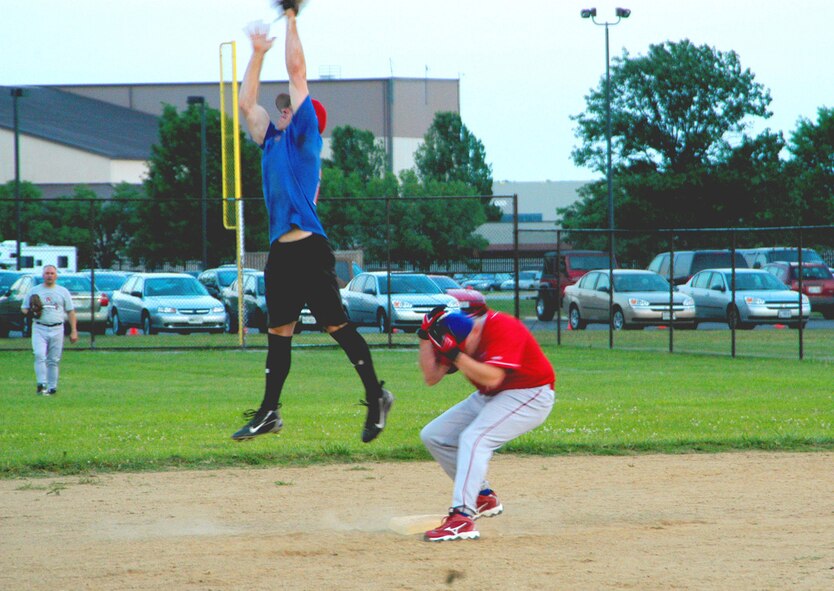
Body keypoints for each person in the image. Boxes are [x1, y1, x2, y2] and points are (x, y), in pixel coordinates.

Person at [232, 2, 393, 443]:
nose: (283, 109)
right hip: (282, 252)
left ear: (306, 120)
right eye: (283, 108)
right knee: (278, 332)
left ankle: (376, 395)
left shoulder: (304, 140)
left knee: (335, 324)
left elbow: (298, 73)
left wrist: (292, 21)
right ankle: (269, 412)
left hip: (308, 248)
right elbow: (247, 103)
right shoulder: (271, 141)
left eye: (290, 108)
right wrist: (258, 52)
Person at [418, 306, 555, 541]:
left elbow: (494, 376)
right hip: (492, 395)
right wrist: (423, 337)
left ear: (474, 333)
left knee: (475, 439)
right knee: (434, 435)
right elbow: (431, 377)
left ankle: (462, 518)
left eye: (466, 348)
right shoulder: (454, 336)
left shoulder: (502, 327)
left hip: (531, 393)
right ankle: (482, 497)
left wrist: (456, 356)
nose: (466, 353)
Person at [21, 265, 78, 396]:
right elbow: (24, 308)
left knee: (54, 359)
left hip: (57, 327)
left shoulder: (63, 291)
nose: (49, 275)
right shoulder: (35, 291)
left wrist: (74, 330)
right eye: (47, 273)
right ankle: (41, 384)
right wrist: (32, 310)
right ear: (43, 275)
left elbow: (70, 311)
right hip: (40, 327)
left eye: (52, 273)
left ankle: (52, 387)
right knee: (39, 355)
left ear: (56, 276)